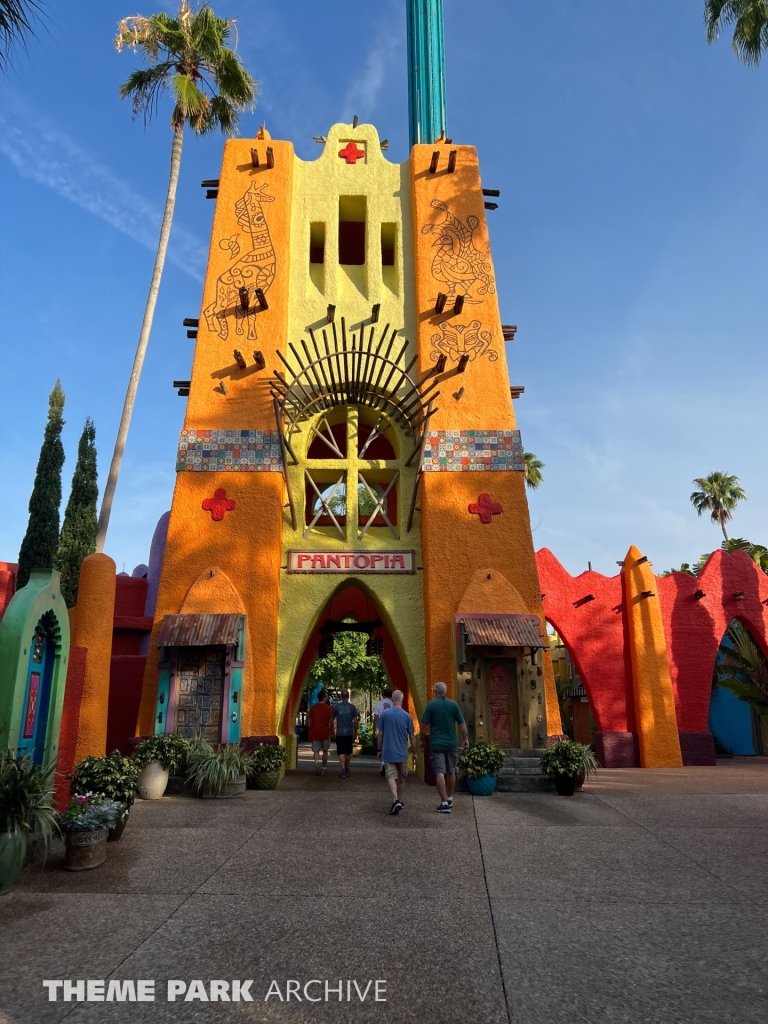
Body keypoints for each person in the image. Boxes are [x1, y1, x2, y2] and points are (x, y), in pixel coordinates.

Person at [421, 681, 468, 813]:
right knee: (451, 770)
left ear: (435, 691)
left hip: (437, 744)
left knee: (439, 772)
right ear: (445, 691)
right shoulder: (453, 704)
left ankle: (444, 803)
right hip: (451, 743)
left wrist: (422, 740)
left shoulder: (431, 705)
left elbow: (424, 725)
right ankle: (450, 797)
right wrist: (465, 739)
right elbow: (462, 723)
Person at [377, 689, 418, 815]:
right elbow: (412, 737)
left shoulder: (385, 715)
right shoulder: (407, 716)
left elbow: (380, 734)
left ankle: (395, 800)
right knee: (402, 778)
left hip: (388, 751)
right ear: (402, 700)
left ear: (392, 700)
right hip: (402, 752)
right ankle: (398, 800)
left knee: (390, 776)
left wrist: (379, 749)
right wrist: (415, 752)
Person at [331, 688, 360, 778]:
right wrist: (355, 732)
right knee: (349, 752)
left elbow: (331, 720)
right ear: (348, 697)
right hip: (349, 732)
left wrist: (332, 730)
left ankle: (343, 769)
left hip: (339, 733)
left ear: (341, 697)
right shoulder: (352, 707)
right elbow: (355, 721)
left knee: (341, 752)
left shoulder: (336, 707)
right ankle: (346, 767)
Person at [307, 688, 332, 775]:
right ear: (324, 697)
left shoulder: (313, 708)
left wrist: (310, 731)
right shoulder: (329, 708)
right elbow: (331, 722)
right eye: (327, 696)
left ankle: (317, 764)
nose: (327, 697)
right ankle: (323, 768)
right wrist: (332, 731)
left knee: (316, 751)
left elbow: (309, 722)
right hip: (325, 732)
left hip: (315, 732)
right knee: (325, 751)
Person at [373, 687, 394, 776]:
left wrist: (374, 729)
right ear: (391, 695)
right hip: (391, 729)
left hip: (381, 728)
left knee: (382, 746)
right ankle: (390, 764)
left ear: (383, 695)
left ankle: (383, 763)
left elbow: (376, 718)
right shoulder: (393, 704)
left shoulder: (379, 704)